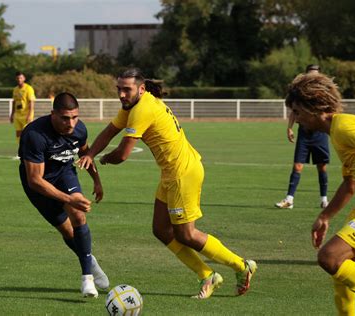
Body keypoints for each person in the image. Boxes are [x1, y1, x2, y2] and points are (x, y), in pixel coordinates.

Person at [77, 68, 256, 299]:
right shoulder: (133, 105)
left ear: (141, 89)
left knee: (186, 234)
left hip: (183, 173)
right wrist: (90, 153)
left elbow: (122, 154)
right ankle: (207, 274)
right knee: (161, 229)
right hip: (171, 173)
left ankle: (241, 266)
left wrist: (103, 158)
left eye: (126, 89)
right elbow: (109, 131)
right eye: (119, 89)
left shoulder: (142, 109)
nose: (121, 94)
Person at [286, 72, 355, 315]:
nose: (295, 120)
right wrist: (325, 216)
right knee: (341, 263)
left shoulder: (345, 126)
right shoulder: (337, 133)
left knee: (329, 258)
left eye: (297, 112)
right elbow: (350, 185)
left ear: (314, 106)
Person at [18, 92, 109, 298]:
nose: (71, 123)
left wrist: (97, 180)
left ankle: (87, 278)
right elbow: (35, 180)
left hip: (65, 174)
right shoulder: (35, 135)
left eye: (75, 117)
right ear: (53, 114)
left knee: (78, 216)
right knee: (69, 233)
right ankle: (90, 261)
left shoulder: (79, 129)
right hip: (38, 186)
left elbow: (85, 154)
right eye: (65, 118)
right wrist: (69, 199)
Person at [275, 64, 329, 209]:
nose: (313, 77)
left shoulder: (324, 94)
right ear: (306, 76)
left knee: (322, 167)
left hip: (320, 134)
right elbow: (294, 111)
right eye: (310, 74)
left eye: (315, 75)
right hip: (304, 134)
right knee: (297, 166)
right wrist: (289, 128)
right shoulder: (299, 94)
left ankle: (324, 200)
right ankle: (289, 199)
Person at [10, 71, 36, 144]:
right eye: (18, 78)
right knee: (18, 132)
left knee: (26, 132)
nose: (19, 79)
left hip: (26, 115)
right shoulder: (15, 89)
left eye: (21, 78)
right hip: (18, 115)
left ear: (24, 78)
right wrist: (12, 114)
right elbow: (14, 102)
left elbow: (31, 102)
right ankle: (20, 149)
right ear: (16, 79)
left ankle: (28, 149)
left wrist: (29, 115)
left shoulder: (29, 88)